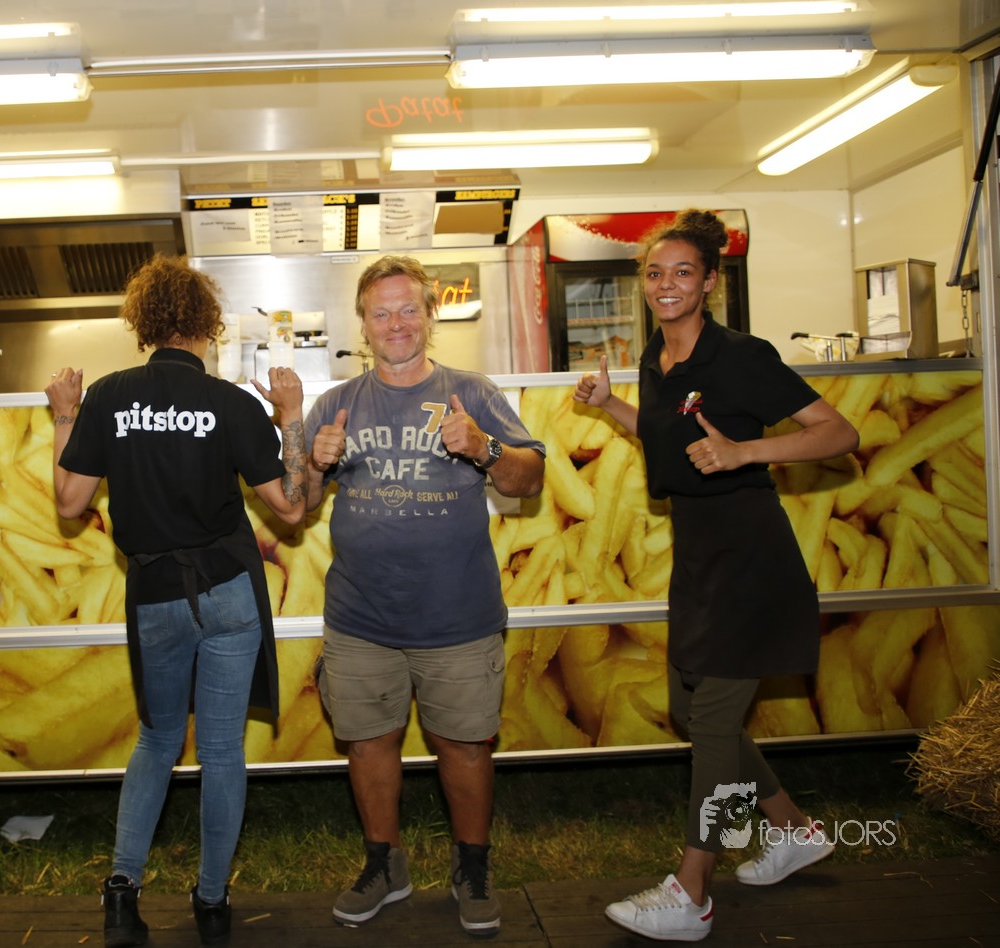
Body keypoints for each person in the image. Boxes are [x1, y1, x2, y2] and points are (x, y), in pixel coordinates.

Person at [574, 209, 859, 942]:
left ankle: (692, 889)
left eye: (683, 272)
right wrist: (611, 405)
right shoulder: (655, 357)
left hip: (750, 557)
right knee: (689, 706)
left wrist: (745, 452)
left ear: (709, 283)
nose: (666, 284)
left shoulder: (741, 356)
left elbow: (839, 431)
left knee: (710, 723)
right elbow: (667, 437)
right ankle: (792, 829)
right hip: (699, 555)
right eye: (654, 272)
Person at [47, 254, 309, 948]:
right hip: (229, 591)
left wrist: (65, 414)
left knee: (158, 740)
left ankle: (121, 889)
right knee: (221, 751)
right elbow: (291, 508)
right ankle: (212, 900)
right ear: (207, 324)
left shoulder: (108, 397)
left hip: (155, 595)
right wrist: (291, 415)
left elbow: (69, 502)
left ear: (142, 322)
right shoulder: (231, 403)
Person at [304, 255, 546, 937]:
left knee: (464, 747)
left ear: (430, 315)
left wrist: (484, 448)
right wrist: (314, 461)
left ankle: (472, 868)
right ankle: (385, 864)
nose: (396, 324)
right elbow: (300, 506)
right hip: (360, 617)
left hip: (458, 616)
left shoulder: (472, 391)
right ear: (363, 324)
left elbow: (529, 480)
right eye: (381, 313)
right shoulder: (336, 403)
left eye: (409, 309)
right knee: (367, 744)